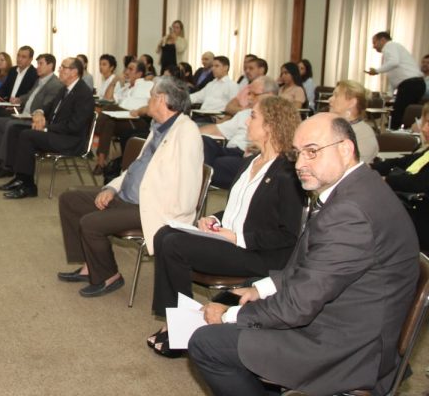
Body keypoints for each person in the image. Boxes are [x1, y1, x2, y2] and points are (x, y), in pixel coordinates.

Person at [189, 113, 419, 396]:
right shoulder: (360, 186)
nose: (299, 164)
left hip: (344, 348)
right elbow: (315, 266)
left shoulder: (351, 213)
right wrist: (262, 289)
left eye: (312, 151)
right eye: (297, 154)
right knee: (243, 294)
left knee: (207, 343)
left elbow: (298, 306)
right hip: (345, 318)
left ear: (345, 149)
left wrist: (229, 316)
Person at [147, 96, 304, 358]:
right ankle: (175, 320)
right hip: (231, 241)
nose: (247, 122)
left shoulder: (288, 173)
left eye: (253, 116)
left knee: (174, 244)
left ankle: (178, 328)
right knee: (164, 233)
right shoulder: (250, 162)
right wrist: (215, 220)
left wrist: (238, 237)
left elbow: (288, 235)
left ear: (270, 126)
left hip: (257, 254)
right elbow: (236, 210)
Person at [57, 76, 203, 297]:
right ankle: (90, 265)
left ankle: (109, 276)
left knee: (90, 223)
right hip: (128, 196)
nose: (148, 100)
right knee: (70, 200)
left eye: (151, 95)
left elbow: (189, 189)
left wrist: (168, 218)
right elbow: (135, 169)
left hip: (152, 208)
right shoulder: (159, 127)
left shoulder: (187, 132)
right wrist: (111, 188)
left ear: (161, 99)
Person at [0, 57, 94, 199]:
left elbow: (74, 126)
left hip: (70, 140)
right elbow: (48, 107)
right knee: (15, 129)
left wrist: (46, 127)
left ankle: (28, 186)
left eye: (63, 67)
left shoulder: (84, 94)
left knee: (28, 135)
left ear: (74, 72)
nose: (59, 70)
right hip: (57, 133)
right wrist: (39, 113)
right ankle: (19, 177)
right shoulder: (64, 89)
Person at [0, 54, 63, 179]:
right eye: (37, 64)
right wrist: (19, 99)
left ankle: (7, 166)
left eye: (41, 64)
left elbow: (46, 107)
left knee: (11, 125)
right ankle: (0, 160)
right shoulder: (39, 80)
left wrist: (34, 113)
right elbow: (29, 95)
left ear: (50, 66)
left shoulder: (55, 84)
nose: (37, 67)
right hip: (23, 114)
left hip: (34, 119)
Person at [200, 76, 280, 188]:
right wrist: (191, 133)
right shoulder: (245, 113)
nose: (249, 98)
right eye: (249, 93)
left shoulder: (279, 117)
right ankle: (200, 181)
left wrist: (257, 149)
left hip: (250, 154)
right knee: (204, 142)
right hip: (230, 150)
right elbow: (217, 129)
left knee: (218, 164)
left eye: (254, 94)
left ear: (270, 95)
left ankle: (199, 182)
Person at [373, 102, 429, 250]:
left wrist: (386, 180)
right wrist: (371, 168)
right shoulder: (427, 152)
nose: (424, 129)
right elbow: (404, 161)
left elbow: (418, 183)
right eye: (424, 122)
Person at [0, 46, 38, 158]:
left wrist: (19, 101)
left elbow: (31, 94)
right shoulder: (13, 71)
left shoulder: (34, 74)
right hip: (7, 104)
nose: (19, 59)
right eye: (18, 56)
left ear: (30, 59)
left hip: (19, 108)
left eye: (23, 57)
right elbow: (5, 88)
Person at [93, 60, 153, 172]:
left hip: (137, 119)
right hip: (121, 119)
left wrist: (139, 110)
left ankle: (95, 129)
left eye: (131, 69)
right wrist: (113, 82)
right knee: (109, 122)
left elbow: (153, 102)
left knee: (109, 108)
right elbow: (107, 98)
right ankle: (100, 163)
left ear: (139, 74)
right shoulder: (125, 88)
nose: (126, 72)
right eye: (126, 69)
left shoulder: (147, 85)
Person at [367, 31, 424, 130]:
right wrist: (390, 93)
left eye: (375, 42)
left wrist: (376, 71)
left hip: (410, 84)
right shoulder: (393, 49)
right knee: (405, 114)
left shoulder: (390, 46)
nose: (374, 46)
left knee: (398, 114)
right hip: (414, 84)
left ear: (383, 40)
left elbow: (394, 62)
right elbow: (393, 74)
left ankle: (393, 134)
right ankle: (401, 134)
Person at [327, 80, 378, 164]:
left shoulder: (364, 134)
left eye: (336, 95)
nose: (330, 99)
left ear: (351, 103)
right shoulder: (328, 125)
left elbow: (351, 165)